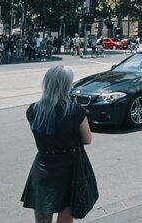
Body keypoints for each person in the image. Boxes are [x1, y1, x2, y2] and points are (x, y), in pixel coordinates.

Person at [21, 65, 92, 222]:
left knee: (43, 214)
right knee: (66, 211)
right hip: (69, 166)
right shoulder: (76, 110)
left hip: (43, 166)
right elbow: (87, 139)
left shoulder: (33, 110)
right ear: (67, 85)